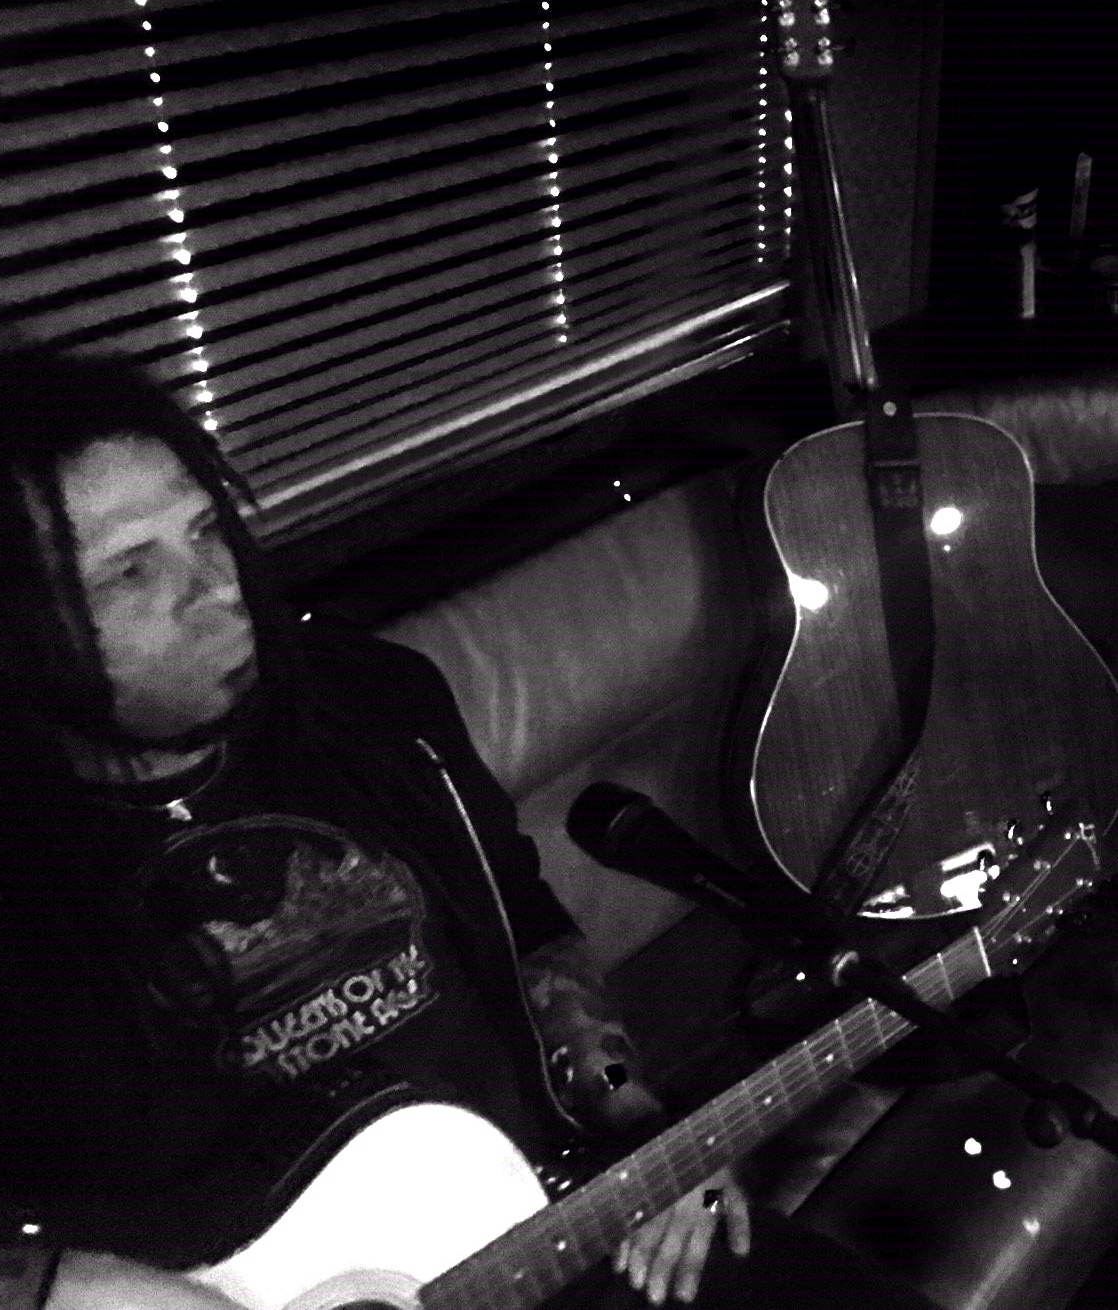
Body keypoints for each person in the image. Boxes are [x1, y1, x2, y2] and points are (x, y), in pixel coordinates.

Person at [0, 348, 749, 1309]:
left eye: (206, 531)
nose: (220, 590)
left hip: (538, 1223)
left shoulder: (374, 705)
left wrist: (632, 1118)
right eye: (128, 575)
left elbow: (525, 924)